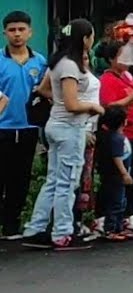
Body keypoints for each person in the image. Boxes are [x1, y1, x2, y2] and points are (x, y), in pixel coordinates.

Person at [22, 19, 102, 251]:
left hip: (55, 125)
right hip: (69, 128)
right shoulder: (70, 66)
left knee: (54, 180)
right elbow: (71, 104)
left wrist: (58, 100)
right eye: (91, 36)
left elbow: (44, 89)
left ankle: (36, 228)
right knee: (67, 182)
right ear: (85, 38)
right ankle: (62, 233)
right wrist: (93, 107)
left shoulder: (58, 62)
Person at [96, 39, 133, 236]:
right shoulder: (107, 80)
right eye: (123, 56)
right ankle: (109, 218)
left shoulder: (127, 75)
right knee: (117, 178)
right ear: (111, 59)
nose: (128, 60)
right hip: (121, 135)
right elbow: (111, 105)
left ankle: (128, 215)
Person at [0, 10, 48, 240]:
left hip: (29, 128)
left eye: (21, 29)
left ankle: (12, 226)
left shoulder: (40, 62)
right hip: (3, 129)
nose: (17, 34)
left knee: (20, 179)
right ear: (4, 33)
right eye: (12, 30)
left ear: (30, 32)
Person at [94, 106, 131, 242]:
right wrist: (124, 173)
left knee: (121, 201)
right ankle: (110, 228)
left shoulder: (115, 137)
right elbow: (117, 157)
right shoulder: (116, 139)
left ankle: (118, 226)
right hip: (116, 176)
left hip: (115, 176)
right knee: (115, 203)